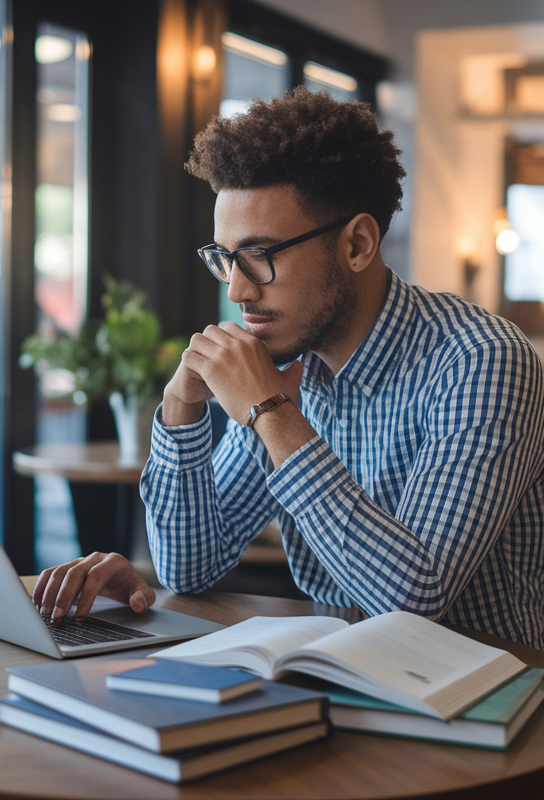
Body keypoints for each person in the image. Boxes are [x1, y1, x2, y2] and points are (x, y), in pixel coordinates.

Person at [35, 87, 544, 650]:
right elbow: (189, 566)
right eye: (226, 258)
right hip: (335, 677)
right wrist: (180, 413)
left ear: (357, 245)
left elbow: (412, 601)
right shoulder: (291, 360)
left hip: (481, 702)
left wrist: (273, 413)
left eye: (259, 256)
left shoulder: (481, 360)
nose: (236, 289)